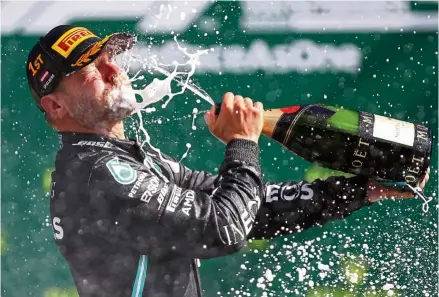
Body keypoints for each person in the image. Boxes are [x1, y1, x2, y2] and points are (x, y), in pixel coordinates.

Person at [27, 25, 429, 297]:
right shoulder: (98, 173)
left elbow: (251, 210)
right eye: (91, 71)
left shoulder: (123, 159)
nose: (114, 70)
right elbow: (223, 228)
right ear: (55, 105)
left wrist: (363, 190)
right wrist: (241, 142)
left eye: (109, 58)